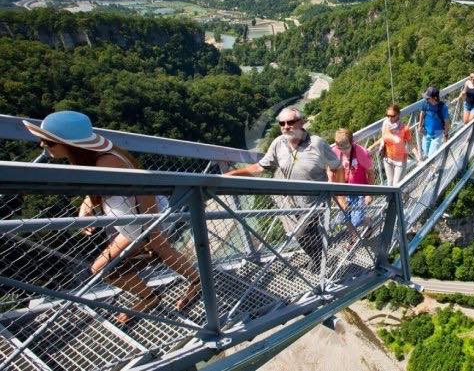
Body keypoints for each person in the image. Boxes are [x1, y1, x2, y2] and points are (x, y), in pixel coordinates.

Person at [23, 111, 200, 324]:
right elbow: (100, 188)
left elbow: (145, 190)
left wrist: (152, 230)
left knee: (112, 266)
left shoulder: (106, 161)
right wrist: (87, 205)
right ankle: (165, 291)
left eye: (49, 142)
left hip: (143, 219)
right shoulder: (94, 158)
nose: (43, 145)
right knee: (141, 257)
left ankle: (165, 292)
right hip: (134, 222)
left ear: (70, 144)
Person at [224, 107, 342, 272]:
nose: (286, 126)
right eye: (282, 123)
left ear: (301, 122)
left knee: (301, 233)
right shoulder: (278, 143)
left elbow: (337, 166)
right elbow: (260, 167)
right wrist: (231, 174)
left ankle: (320, 264)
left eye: (290, 122)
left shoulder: (317, 143)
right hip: (293, 203)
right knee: (306, 235)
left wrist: (336, 190)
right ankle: (320, 260)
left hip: (317, 201)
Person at [331, 129, 374, 232]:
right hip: (344, 191)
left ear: (352, 142)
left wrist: (369, 194)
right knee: (343, 219)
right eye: (340, 147)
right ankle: (354, 238)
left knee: (357, 220)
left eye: (346, 147)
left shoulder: (360, 152)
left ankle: (369, 221)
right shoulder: (334, 151)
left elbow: (371, 173)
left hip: (359, 191)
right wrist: (335, 195)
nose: (343, 151)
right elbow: (331, 171)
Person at [375, 104, 420, 186]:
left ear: (398, 115)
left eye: (392, 116)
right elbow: (383, 138)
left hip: (400, 161)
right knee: (390, 183)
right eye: (387, 115)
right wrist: (371, 147)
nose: (389, 118)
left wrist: (418, 157)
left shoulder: (404, 129)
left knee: (396, 185)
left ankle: (401, 194)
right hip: (387, 158)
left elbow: (411, 144)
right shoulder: (385, 125)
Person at [418, 87, 449, 159]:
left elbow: (446, 122)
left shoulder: (442, 107)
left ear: (435, 98)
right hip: (426, 133)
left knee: (431, 156)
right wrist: (420, 126)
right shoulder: (425, 103)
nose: (426, 99)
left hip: (437, 135)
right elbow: (422, 113)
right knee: (425, 152)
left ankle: (434, 165)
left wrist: (446, 135)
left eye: (428, 98)